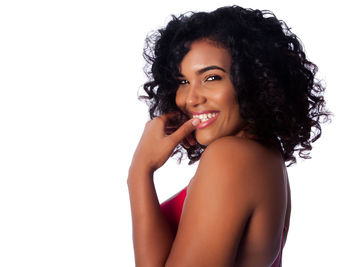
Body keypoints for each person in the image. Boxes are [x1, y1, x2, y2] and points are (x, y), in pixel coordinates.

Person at [127, 5, 330, 267]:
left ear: (253, 80)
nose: (191, 98)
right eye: (183, 81)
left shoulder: (231, 158)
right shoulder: (264, 154)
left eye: (211, 77)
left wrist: (140, 171)